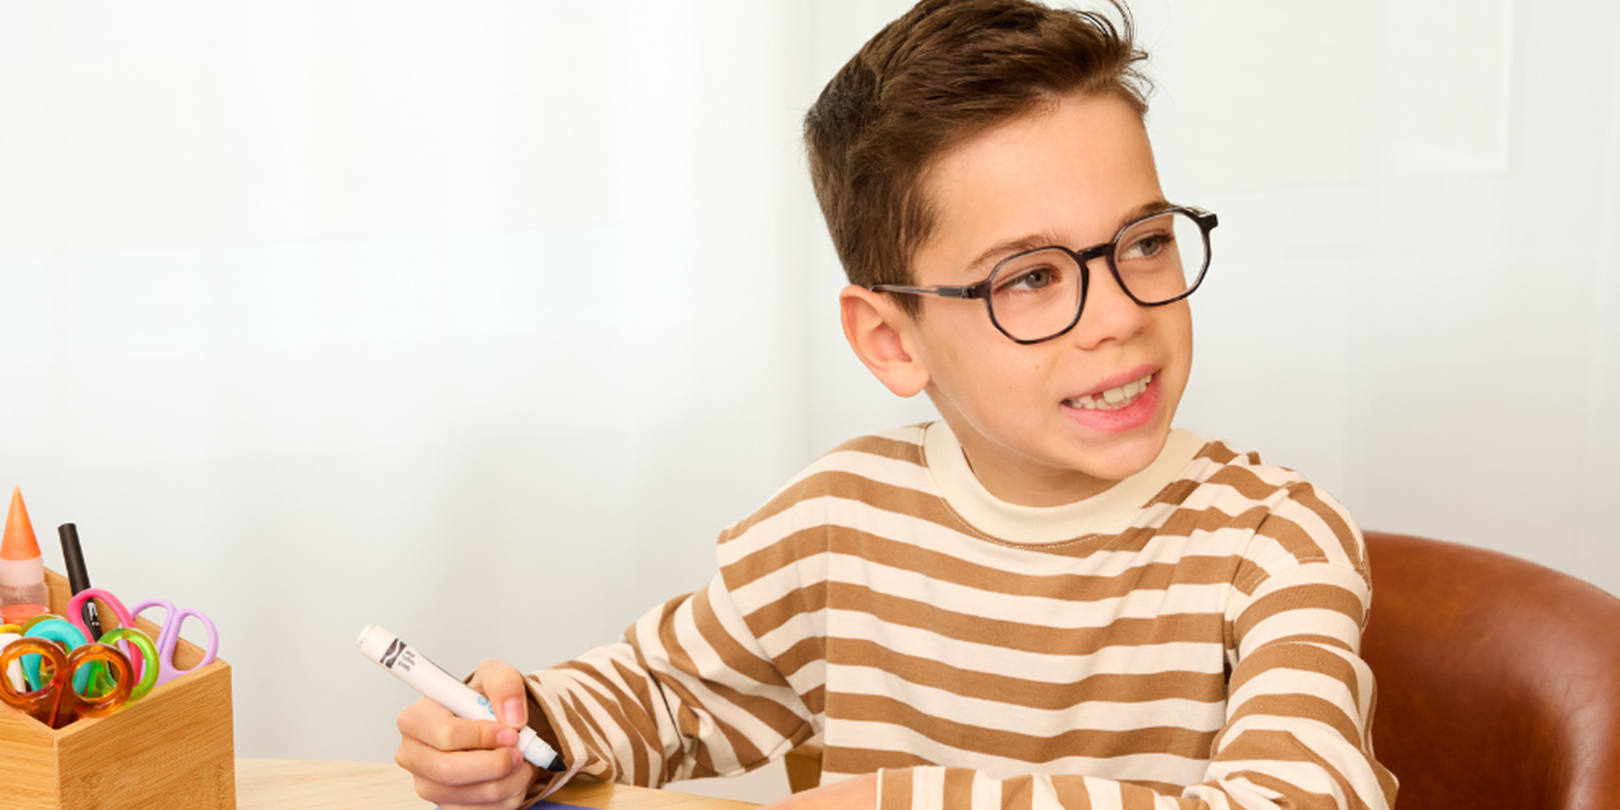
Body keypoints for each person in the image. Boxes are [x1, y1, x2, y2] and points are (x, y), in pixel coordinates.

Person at [394, 2, 1397, 809]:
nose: (1120, 315)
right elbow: (669, 698)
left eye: (1143, 241)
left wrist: (900, 801)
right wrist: (529, 733)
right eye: (1033, 277)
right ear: (892, 339)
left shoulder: (1274, 543)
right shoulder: (840, 523)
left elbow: (1301, 796)